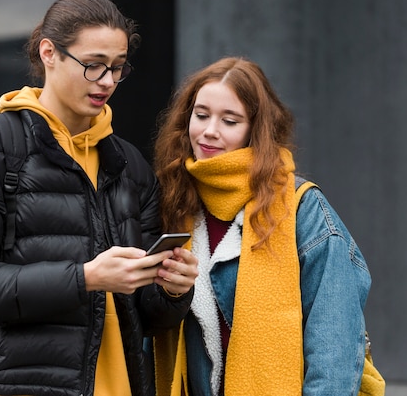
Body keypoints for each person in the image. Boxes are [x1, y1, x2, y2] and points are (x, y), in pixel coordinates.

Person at [0, 0, 197, 396]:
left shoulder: (128, 165)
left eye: (118, 68)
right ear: (49, 53)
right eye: (93, 65)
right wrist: (86, 278)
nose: (107, 81)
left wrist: (172, 289)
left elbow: (146, 314)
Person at [152, 57, 374, 395]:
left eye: (230, 120)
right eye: (201, 115)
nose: (210, 130)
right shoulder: (173, 201)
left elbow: (335, 349)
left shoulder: (302, 207)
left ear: (255, 131)